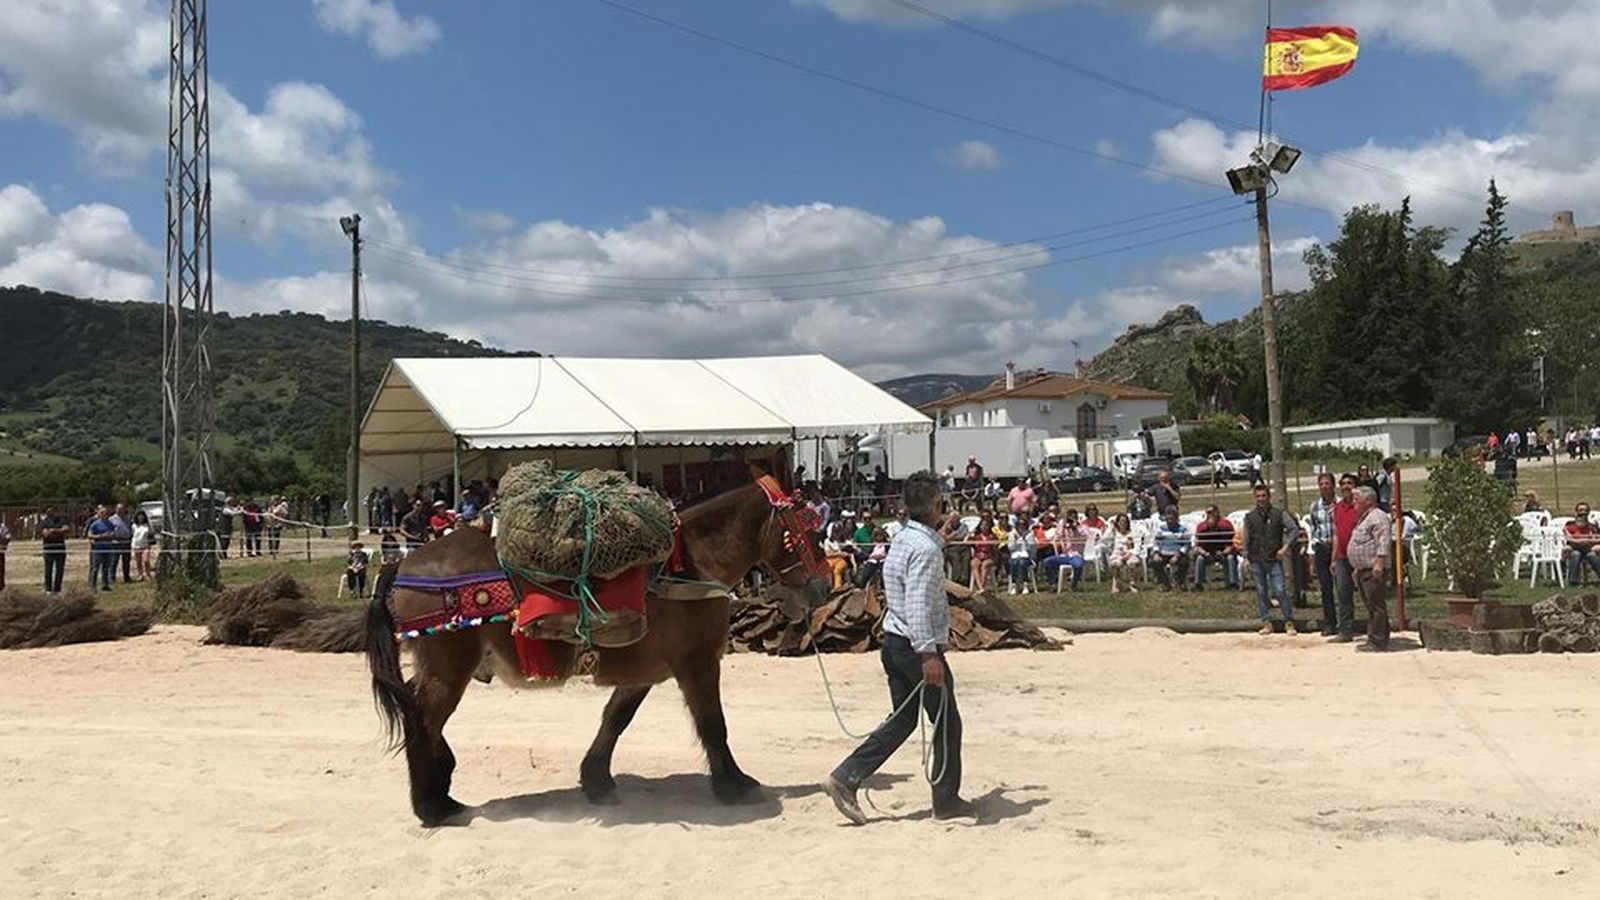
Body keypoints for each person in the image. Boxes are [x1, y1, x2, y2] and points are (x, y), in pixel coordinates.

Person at [824, 471, 972, 825]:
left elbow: (915, 571)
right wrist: (928, 654)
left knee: (904, 720)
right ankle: (946, 800)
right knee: (948, 723)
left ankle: (846, 777)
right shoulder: (923, 549)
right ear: (937, 505)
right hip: (914, 646)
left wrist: (940, 540)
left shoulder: (905, 537)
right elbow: (920, 603)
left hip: (893, 640)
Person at [1239, 484, 1302, 636]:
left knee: (1280, 590)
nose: (1261, 499)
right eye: (1258, 496)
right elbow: (1246, 538)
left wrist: (1286, 547)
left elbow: (1294, 529)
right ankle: (1266, 622)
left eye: (1263, 496)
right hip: (1256, 558)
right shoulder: (1249, 517)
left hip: (1273, 558)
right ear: (1255, 497)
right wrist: (1246, 557)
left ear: (1269, 497)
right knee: (1261, 592)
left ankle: (1288, 620)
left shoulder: (1279, 514)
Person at [1346, 487, 1393, 651]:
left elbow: (1384, 541)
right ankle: (1375, 636)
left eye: (1356, 499)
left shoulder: (1378, 517)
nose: (1353, 503)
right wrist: (1357, 567)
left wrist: (1379, 563)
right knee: (1371, 605)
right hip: (1364, 569)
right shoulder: (1365, 518)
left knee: (1376, 605)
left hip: (1373, 568)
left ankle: (1378, 641)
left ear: (1369, 501)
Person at [1307, 473, 1342, 637]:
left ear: (1333, 485)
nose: (1324, 486)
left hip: (1340, 548)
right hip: (1322, 548)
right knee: (1326, 588)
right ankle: (1330, 623)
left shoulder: (1341, 504)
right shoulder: (1314, 506)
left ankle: (1345, 622)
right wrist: (1312, 554)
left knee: (1342, 587)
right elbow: (1313, 531)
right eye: (1321, 484)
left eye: (1327, 483)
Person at [1328, 473, 1360, 643]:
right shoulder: (1337, 508)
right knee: (1342, 593)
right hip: (1341, 557)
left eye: (1350, 483)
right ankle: (1345, 631)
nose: (1346, 486)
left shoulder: (1360, 507)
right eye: (1344, 483)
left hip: (1359, 557)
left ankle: (1376, 629)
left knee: (1367, 593)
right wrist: (1333, 559)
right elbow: (1336, 535)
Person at [1192, 506, 1239, 590]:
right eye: (1207, 513)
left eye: (1211, 512)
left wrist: (1224, 552)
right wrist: (1204, 553)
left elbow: (1231, 544)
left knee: (1230, 558)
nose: (1209, 514)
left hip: (1223, 553)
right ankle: (1198, 584)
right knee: (1199, 559)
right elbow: (1198, 546)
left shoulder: (1225, 526)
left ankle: (1233, 583)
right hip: (1207, 553)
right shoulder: (1201, 528)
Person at [1042, 510, 1089, 591]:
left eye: (1073, 518)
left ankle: (1074, 583)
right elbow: (1057, 538)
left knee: (1078, 565)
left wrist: (1076, 527)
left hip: (1076, 555)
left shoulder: (1083, 527)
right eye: (1069, 518)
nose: (1071, 520)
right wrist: (1062, 526)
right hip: (1064, 555)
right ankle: (1052, 583)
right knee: (1047, 561)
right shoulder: (1064, 527)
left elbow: (1086, 535)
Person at [1151, 508, 1190, 591]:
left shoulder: (1183, 529)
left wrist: (1178, 555)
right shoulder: (1161, 528)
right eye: (1168, 519)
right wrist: (1156, 553)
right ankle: (1165, 583)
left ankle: (1179, 582)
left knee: (1184, 562)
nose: (1170, 521)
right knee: (1155, 562)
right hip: (1163, 552)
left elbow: (1187, 544)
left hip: (1177, 553)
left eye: (1172, 519)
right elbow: (1156, 542)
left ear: (1176, 518)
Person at [1564, 504, 1600, 586]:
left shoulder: (1593, 526)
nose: (1583, 512)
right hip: (1574, 548)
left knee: (1593, 556)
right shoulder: (1570, 525)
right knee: (1575, 555)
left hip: (1589, 549)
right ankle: (1574, 582)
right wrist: (1580, 541)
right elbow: (1568, 538)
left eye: (1585, 510)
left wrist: (1591, 541)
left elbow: (1598, 538)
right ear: (1576, 512)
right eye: (1581, 510)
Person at [1105, 514, 1140, 593]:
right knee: (1116, 564)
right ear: (1117, 523)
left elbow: (1137, 546)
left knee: (1132, 563)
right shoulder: (1114, 533)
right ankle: (1117, 584)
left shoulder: (1132, 532)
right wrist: (1111, 528)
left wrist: (1129, 554)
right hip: (1117, 554)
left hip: (1130, 554)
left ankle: (1132, 584)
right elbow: (1104, 540)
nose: (1123, 523)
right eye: (1121, 521)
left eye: (1125, 521)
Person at [85, 505, 117, 591]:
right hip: (97, 549)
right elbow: (89, 535)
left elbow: (114, 533)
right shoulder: (95, 524)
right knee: (95, 567)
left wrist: (111, 535)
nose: (104, 514)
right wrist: (100, 536)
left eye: (106, 513)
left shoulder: (110, 524)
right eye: (102, 513)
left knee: (106, 567)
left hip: (108, 548)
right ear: (99, 514)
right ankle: (92, 585)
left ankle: (105, 584)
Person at [39, 506, 68, 594]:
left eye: (52, 510)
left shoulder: (61, 520)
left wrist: (54, 530)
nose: (50, 512)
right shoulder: (44, 522)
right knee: (48, 569)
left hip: (60, 548)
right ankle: (48, 589)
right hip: (48, 549)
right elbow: (46, 534)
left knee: (60, 569)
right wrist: (59, 532)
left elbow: (66, 529)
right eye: (48, 511)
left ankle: (57, 589)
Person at [1006, 516, 1035, 594]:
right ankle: (1014, 584)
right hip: (1014, 555)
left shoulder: (1029, 534)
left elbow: (1031, 548)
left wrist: (1024, 540)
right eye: (1019, 524)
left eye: (1023, 524)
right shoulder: (1012, 534)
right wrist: (1015, 541)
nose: (1021, 526)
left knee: (1022, 563)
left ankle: (1025, 584)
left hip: (1026, 555)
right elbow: (1010, 548)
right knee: (1013, 563)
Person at [823, 521, 855, 589]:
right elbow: (828, 554)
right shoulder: (827, 541)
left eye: (838, 532)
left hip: (841, 560)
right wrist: (839, 553)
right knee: (827, 569)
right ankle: (828, 588)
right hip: (830, 560)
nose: (837, 534)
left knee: (837, 570)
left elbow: (850, 548)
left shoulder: (841, 541)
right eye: (835, 532)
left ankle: (838, 587)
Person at [969, 513, 997, 593]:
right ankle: (980, 587)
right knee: (974, 564)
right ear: (980, 526)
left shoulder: (992, 536)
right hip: (978, 556)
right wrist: (970, 533)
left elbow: (995, 548)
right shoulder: (976, 536)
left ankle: (981, 587)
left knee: (984, 565)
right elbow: (965, 541)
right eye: (983, 525)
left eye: (986, 525)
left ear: (989, 526)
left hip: (989, 556)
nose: (984, 527)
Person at [110, 503, 133, 584]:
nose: (120, 510)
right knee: (114, 560)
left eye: (122, 509)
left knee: (126, 561)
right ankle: (112, 578)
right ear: (116, 509)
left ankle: (127, 577)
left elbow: (131, 528)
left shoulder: (128, 519)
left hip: (126, 542)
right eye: (118, 509)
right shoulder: (111, 519)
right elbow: (109, 530)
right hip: (116, 542)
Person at [131, 510, 154, 581]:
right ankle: (140, 574)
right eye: (139, 516)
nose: (141, 518)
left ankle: (148, 574)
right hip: (136, 545)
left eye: (142, 516)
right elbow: (133, 534)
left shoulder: (148, 525)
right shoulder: (134, 526)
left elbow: (151, 534)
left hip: (145, 545)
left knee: (146, 560)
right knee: (138, 561)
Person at [0, 516, 9, 590]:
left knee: (1, 570)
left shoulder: (2, 526)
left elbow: (8, 537)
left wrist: (3, 542)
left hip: (0, 552)